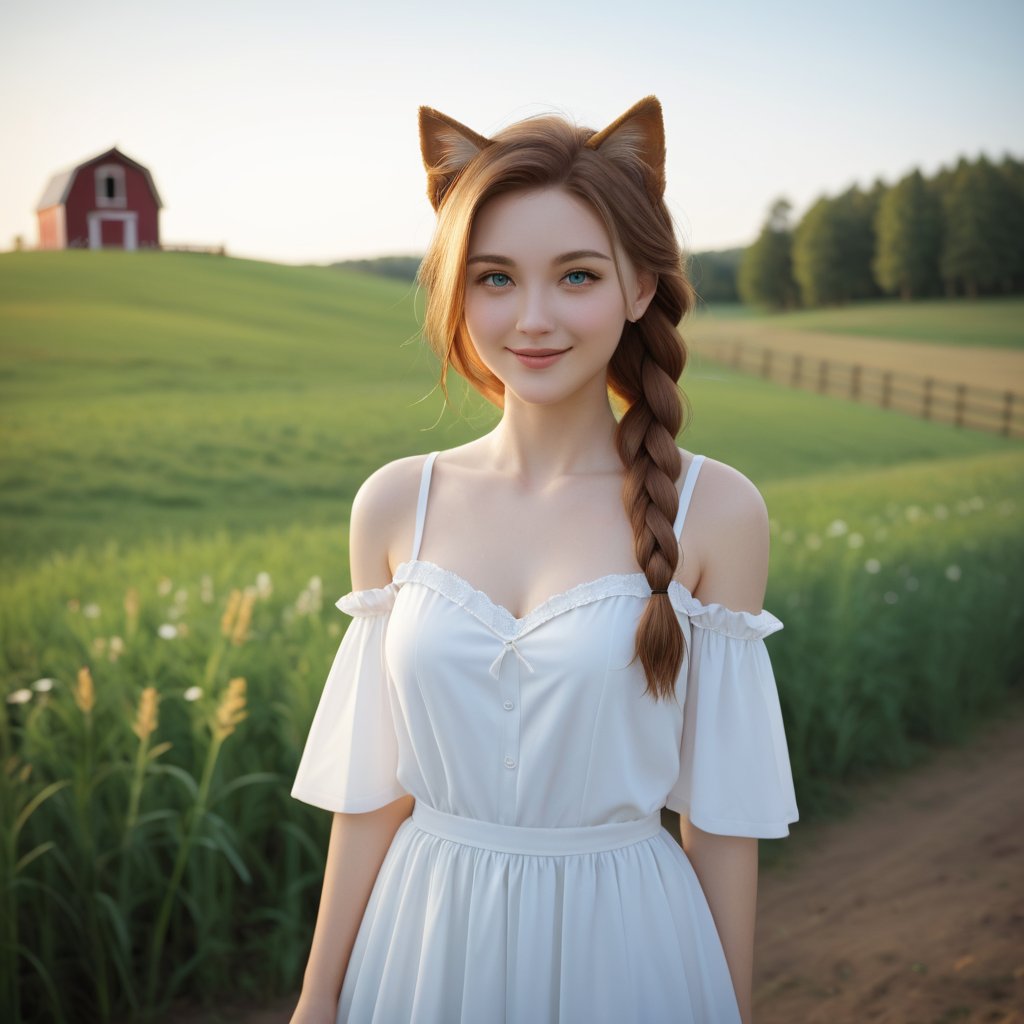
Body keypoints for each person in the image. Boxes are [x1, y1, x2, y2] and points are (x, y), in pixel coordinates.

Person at [289, 95, 798, 1024]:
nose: (531, 318)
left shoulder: (716, 511)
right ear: (456, 291)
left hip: (631, 950)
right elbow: (370, 798)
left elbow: (720, 827)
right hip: (423, 943)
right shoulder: (396, 504)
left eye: (575, 276)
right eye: (494, 278)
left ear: (640, 287)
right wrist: (318, 999)